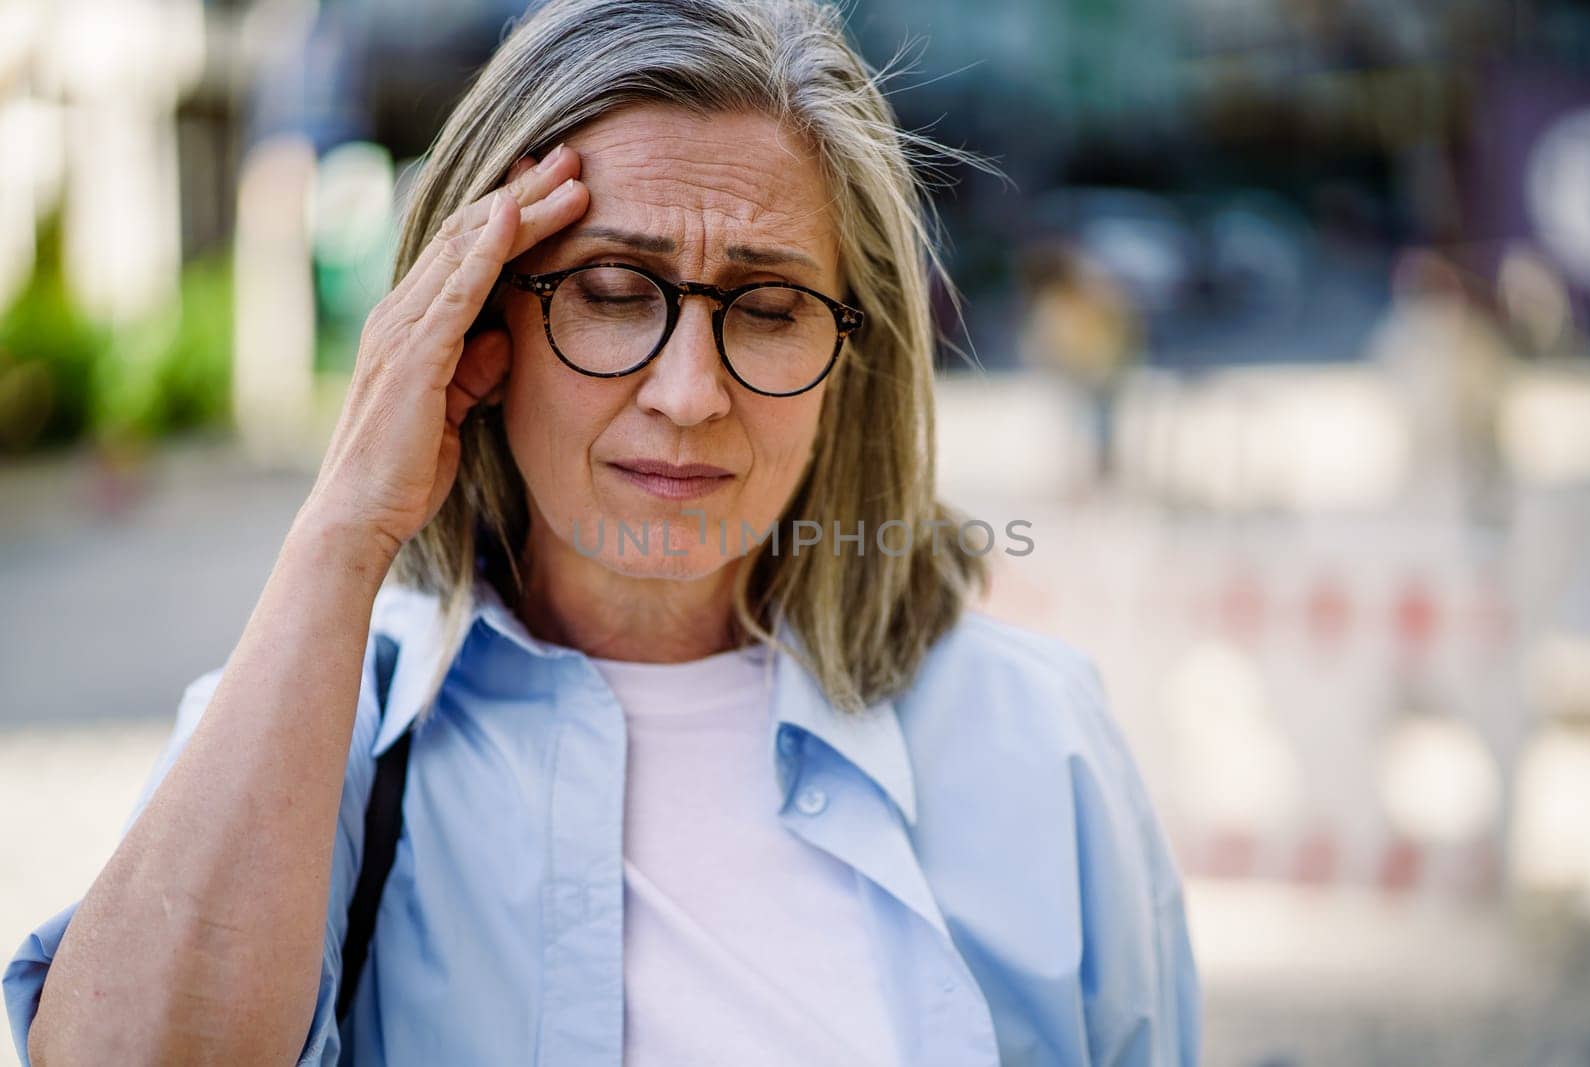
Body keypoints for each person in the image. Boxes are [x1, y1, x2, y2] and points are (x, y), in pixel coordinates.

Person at [5, 0, 1200, 1063]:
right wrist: (340, 531)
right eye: (612, 293)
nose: (688, 393)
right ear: (473, 321)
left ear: (852, 353)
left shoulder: (1034, 741)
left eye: (771, 308)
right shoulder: (312, 734)